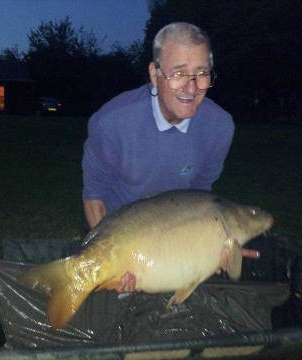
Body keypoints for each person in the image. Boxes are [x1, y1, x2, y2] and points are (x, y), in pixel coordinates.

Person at [82, 22, 259, 293]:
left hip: (177, 232)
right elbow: (94, 196)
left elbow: (200, 195)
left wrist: (214, 249)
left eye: (201, 73)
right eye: (179, 73)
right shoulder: (111, 122)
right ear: (154, 74)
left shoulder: (220, 127)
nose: (191, 88)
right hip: (122, 230)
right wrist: (110, 258)